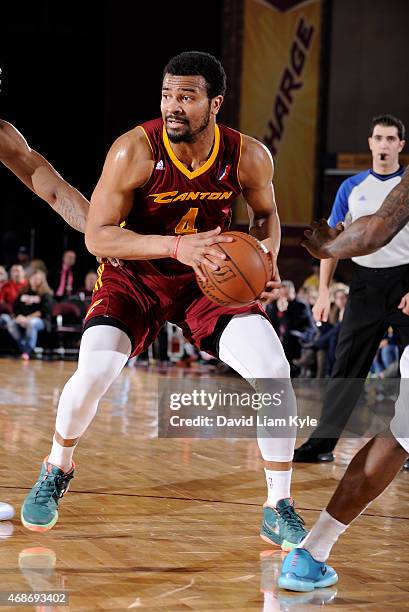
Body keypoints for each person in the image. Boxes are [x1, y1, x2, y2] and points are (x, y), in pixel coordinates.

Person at [21, 51, 307, 550]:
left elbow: (266, 216)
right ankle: (57, 466)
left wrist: (266, 256)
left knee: (274, 369)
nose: (173, 106)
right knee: (94, 371)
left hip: (208, 279)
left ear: (215, 103)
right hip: (136, 275)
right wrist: (176, 246)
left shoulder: (249, 155)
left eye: (187, 96)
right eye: (167, 95)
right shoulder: (132, 150)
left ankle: (277, 504)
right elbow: (98, 236)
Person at [277, 163, 409, 590]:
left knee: (394, 438)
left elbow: (374, 231)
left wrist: (327, 249)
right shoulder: (356, 187)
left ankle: (311, 553)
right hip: (372, 283)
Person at [294, 114, 409, 462]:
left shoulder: (406, 187)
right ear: (370, 143)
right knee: (345, 366)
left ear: (401, 146)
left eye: (392, 139)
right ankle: (322, 445)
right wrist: (325, 291)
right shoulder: (352, 188)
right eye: (379, 138)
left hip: (405, 283)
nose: (385, 145)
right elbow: (331, 242)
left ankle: (407, 446)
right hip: (364, 284)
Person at [4, 269, 53, 360]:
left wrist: (28, 318)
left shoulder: (46, 294)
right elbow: (16, 307)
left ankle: (27, 351)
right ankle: (24, 347)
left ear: (42, 280)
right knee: (11, 323)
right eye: (33, 278)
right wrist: (19, 316)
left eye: (38, 278)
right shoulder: (23, 292)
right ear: (29, 278)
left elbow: (44, 311)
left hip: (41, 321)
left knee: (32, 323)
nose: (35, 280)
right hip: (22, 318)